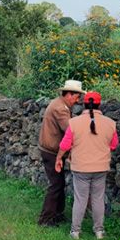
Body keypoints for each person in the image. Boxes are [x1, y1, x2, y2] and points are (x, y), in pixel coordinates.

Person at [55, 91, 118, 240]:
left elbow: (65, 144)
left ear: (83, 104)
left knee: (80, 198)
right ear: (99, 104)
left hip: (81, 168)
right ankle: (99, 231)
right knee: (98, 198)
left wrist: (59, 158)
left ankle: (75, 231)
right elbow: (114, 145)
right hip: (101, 167)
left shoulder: (74, 123)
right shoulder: (110, 123)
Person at [37, 80, 85, 227]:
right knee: (56, 185)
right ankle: (45, 219)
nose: (78, 101)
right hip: (51, 151)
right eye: (77, 97)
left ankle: (57, 214)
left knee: (59, 183)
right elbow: (70, 130)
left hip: (50, 149)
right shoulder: (60, 109)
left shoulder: (59, 104)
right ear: (69, 94)